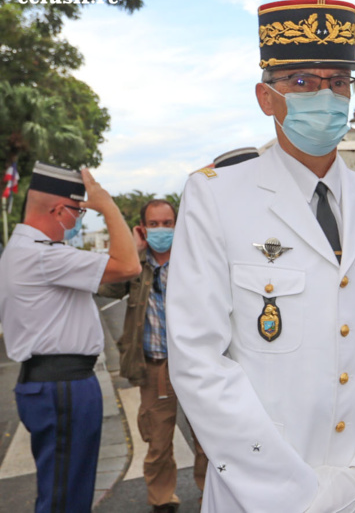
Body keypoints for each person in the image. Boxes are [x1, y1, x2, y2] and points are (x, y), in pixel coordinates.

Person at [165, 0, 355, 513]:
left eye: (338, 81)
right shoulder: (216, 196)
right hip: (258, 495)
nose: (325, 96)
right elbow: (198, 362)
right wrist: (296, 494)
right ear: (267, 97)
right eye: (303, 82)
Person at [0, 163, 140, 513]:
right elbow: (129, 266)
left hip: (53, 382)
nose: (79, 219)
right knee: (65, 499)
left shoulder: (24, 251)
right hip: (62, 385)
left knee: (66, 490)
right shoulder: (43, 255)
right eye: (78, 211)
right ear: (59, 210)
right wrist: (106, 204)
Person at [98, 199, 208, 512]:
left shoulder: (195, 261)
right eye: (154, 224)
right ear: (143, 228)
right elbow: (104, 286)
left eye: (167, 223)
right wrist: (130, 249)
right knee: (158, 442)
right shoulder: (135, 265)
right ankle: (162, 500)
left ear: (178, 224)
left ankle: (210, 493)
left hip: (196, 365)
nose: (161, 229)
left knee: (208, 438)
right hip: (155, 367)